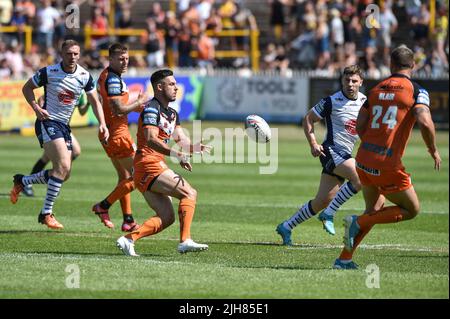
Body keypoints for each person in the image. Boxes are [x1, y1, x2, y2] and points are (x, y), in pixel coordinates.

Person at [334, 45, 441, 269]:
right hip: (387, 164)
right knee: (411, 210)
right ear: (413, 65)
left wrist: (372, 144)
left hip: (363, 160)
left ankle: (344, 258)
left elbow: (360, 125)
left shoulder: (374, 90)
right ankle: (358, 222)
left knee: (374, 209)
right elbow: (424, 120)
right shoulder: (416, 90)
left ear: (391, 65)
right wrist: (432, 148)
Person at [10, 39, 109, 230]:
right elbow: (27, 88)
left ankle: (23, 181)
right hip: (47, 121)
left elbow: (95, 102)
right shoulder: (49, 72)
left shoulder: (84, 76)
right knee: (63, 165)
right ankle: (46, 213)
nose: (72, 57)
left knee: (64, 173)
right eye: (68, 53)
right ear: (61, 54)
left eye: (75, 53)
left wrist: (102, 124)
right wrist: (37, 108)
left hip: (64, 126)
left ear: (80, 55)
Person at [116, 69, 211, 256]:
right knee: (189, 193)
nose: (176, 88)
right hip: (147, 163)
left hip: (149, 167)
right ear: (159, 87)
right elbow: (151, 138)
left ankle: (128, 239)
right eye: (171, 84)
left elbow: (180, 139)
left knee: (167, 218)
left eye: (176, 84)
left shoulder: (173, 113)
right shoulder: (152, 109)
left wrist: (191, 148)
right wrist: (176, 154)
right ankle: (185, 241)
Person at [276, 65, 367, 245]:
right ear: (342, 81)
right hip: (331, 151)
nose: (350, 84)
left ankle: (286, 226)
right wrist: (313, 144)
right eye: (347, 80)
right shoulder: (331, 101)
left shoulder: (365, 101)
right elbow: (308, 119)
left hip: (345, 155)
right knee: (361, 177)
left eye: (354, 81)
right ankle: (329, 214)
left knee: (322, 201)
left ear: (361, 82)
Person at [91, 43, 148, 232]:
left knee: (124, 176)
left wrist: (133, 105)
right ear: (111, 59)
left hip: (108, 133)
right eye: (120, 59)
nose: (124, 62)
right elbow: (117, 108)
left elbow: (114, 107)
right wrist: (138, 103)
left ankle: (128, 219)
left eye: (126, 58)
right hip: (118, 134)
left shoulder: (107, 76)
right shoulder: (113, 79)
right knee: (139, 175)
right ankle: (104, 206)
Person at [22, 92, 91, 197]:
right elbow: (42, 98)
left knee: (49, 157)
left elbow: (82, 112)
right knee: (70, 152)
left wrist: (89, 103)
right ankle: (51, 181)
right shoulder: (65, 85)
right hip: (52, 126)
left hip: (64, 128)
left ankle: (34, 183)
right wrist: (43, 113)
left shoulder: (80, 91)